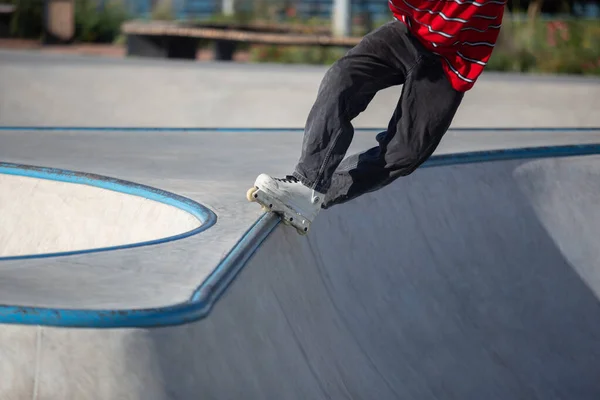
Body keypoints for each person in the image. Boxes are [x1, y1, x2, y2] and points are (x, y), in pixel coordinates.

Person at [251, 0, 507, 233]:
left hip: (452, 61)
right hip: (408, 33)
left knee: (404, 154)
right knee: (343, 79)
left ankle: (317, 194)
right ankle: (308, 183)